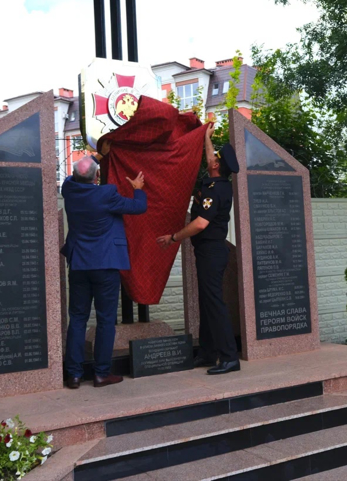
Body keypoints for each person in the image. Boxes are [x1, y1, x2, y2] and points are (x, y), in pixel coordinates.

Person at [156, 124, 240, 375]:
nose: (211, 157)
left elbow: (201, 223)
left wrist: (173, 237)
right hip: (209, 251)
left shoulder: (214, 191)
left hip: (211, 251)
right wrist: (205, 137)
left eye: (215, 157)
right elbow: (210, 158)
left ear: (216, 166)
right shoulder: (218, 183)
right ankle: (207, 352)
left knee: (214, 303)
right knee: (207, 301)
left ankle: (229, 357)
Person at [61, 145, 146, 389]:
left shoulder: (69, 190)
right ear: (97, 177)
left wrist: (96, 157)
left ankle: (74, 375)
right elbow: (138, 208)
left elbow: (72, 177)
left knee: (77, 318)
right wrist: (138, 190)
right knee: (106, 319)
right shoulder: (107, 194)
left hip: (78, 263)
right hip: (106, 264)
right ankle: (101, 373)